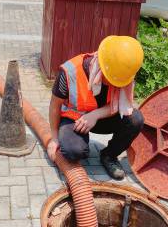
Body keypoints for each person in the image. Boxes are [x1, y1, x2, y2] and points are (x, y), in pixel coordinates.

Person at [47, 36, 145, 180]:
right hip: (74, 119)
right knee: (74, 152)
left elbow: (123, 105)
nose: (117, 85)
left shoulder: (122, 72)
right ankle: (77, 143)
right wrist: (54, 138)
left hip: (100, 119)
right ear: (101, 65)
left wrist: (95, 115)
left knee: (135, 119)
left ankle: (109, 156)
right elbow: (54, 106)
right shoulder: (70, 71)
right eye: (111, 79)